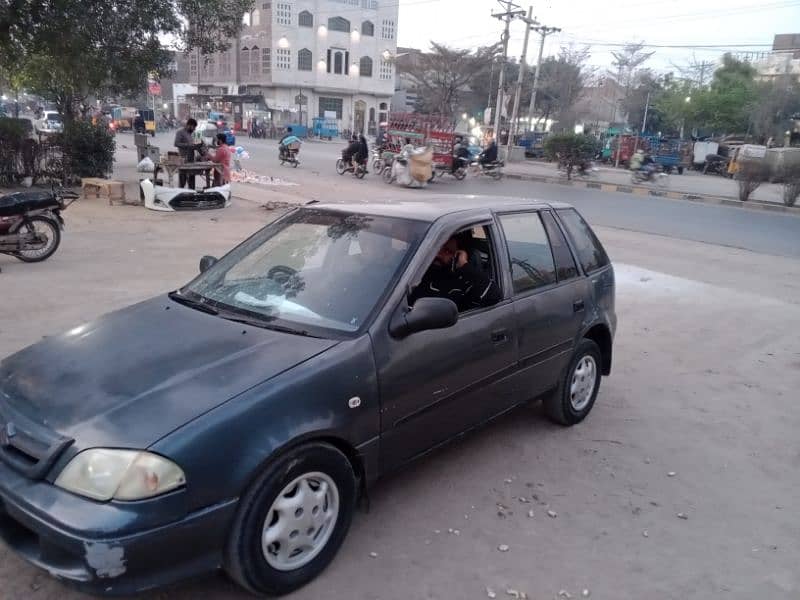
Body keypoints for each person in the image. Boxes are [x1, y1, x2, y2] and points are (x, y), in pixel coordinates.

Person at [410, 236, 501, 312]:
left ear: (458, 256)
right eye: (437, 248)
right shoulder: (420, 270)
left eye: (447, 251)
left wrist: (464, 266)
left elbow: (494, 296)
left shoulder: (466, 283)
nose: (438, 254)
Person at [174, 118, 202, 189]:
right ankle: (181, 194)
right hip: (183, 159)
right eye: (193, 127)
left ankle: (191, 194)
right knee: (182, 179)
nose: (194, 129)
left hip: (192, 159)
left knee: (192, 179)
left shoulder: (194, 133)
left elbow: (197, 145)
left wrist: (199, 146)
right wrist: (188, 145)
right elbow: (176, 143)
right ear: (189, 125)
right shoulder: (180, 132)